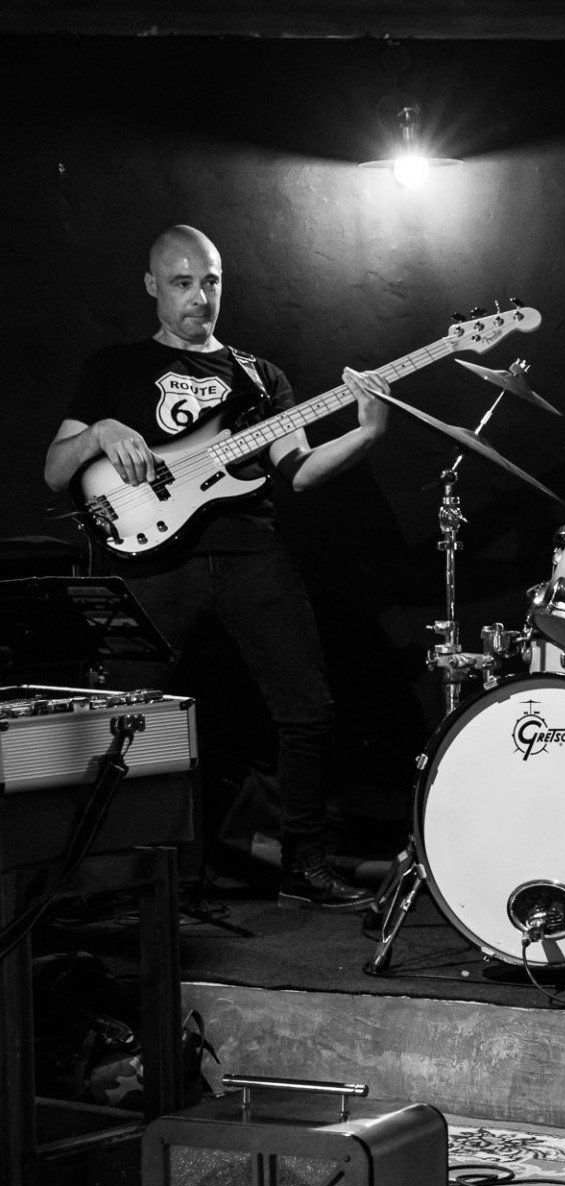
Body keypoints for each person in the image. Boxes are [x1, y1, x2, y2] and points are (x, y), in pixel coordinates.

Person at [44, 224, 395, 911]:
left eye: (210, 282)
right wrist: (100, 431)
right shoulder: (113, 367)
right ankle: (110, 878)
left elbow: (296, 469)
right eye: (182, 283)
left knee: (308, 707)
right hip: (148, 557)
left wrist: (367, 431)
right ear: (152, 286)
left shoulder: (260, 376)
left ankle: (305, 864)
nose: (199, 298)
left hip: (248, 551)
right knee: (122, 715)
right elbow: (58, 472)